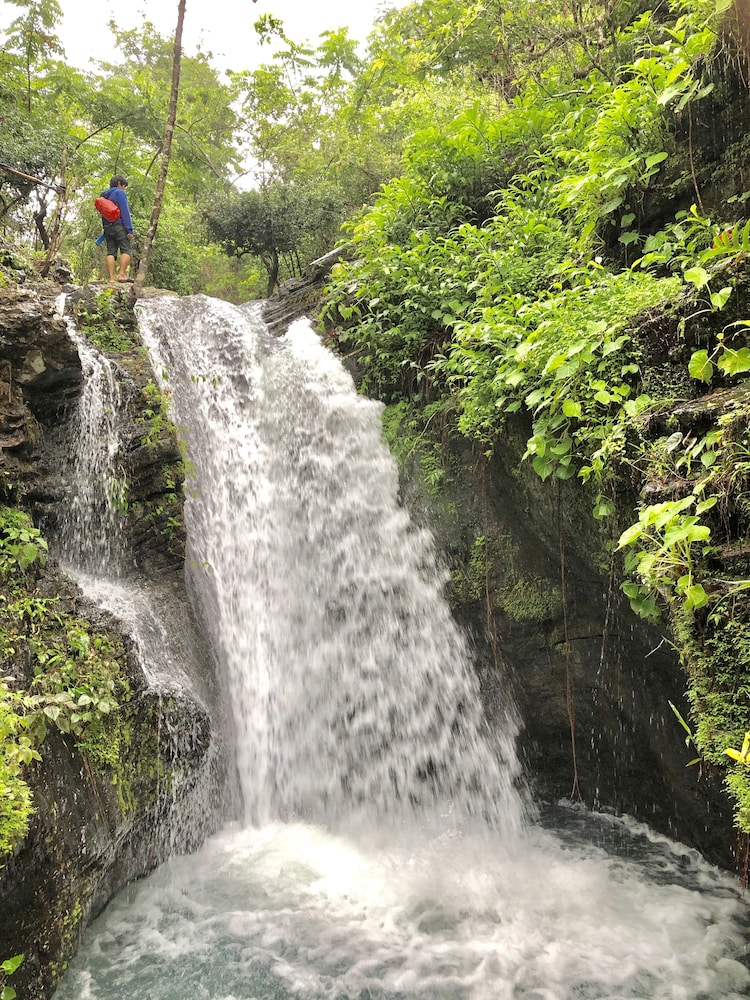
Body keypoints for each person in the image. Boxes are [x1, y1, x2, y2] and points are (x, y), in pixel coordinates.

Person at [99, 174, 134, 282]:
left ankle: (111, 278)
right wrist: (129, 229)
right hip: (119, 226)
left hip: (107, 227)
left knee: (111, 252)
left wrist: (106, 228)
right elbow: (125, 211)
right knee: (126, 250)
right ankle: (122, 275)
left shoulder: (103, 195)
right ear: (119, 184)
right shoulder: (120, 193)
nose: (124, 189)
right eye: (124, 186)